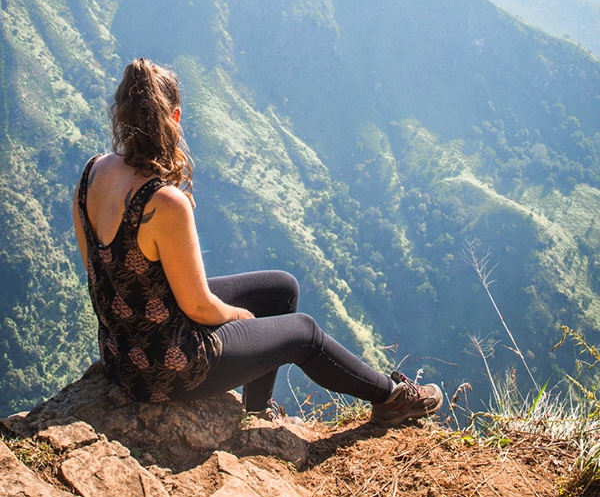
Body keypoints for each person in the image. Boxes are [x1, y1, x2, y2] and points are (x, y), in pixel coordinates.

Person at [73, 57, 443, 424]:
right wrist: (239, 318)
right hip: (166, 371)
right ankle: (393, 399)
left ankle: (256, 411)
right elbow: (199, 309)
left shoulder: (92, 172)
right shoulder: (164, 202)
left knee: (279, 290)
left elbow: (103, 274)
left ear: (119, 114)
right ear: (175, 117)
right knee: (305, 333)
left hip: (119, 355)